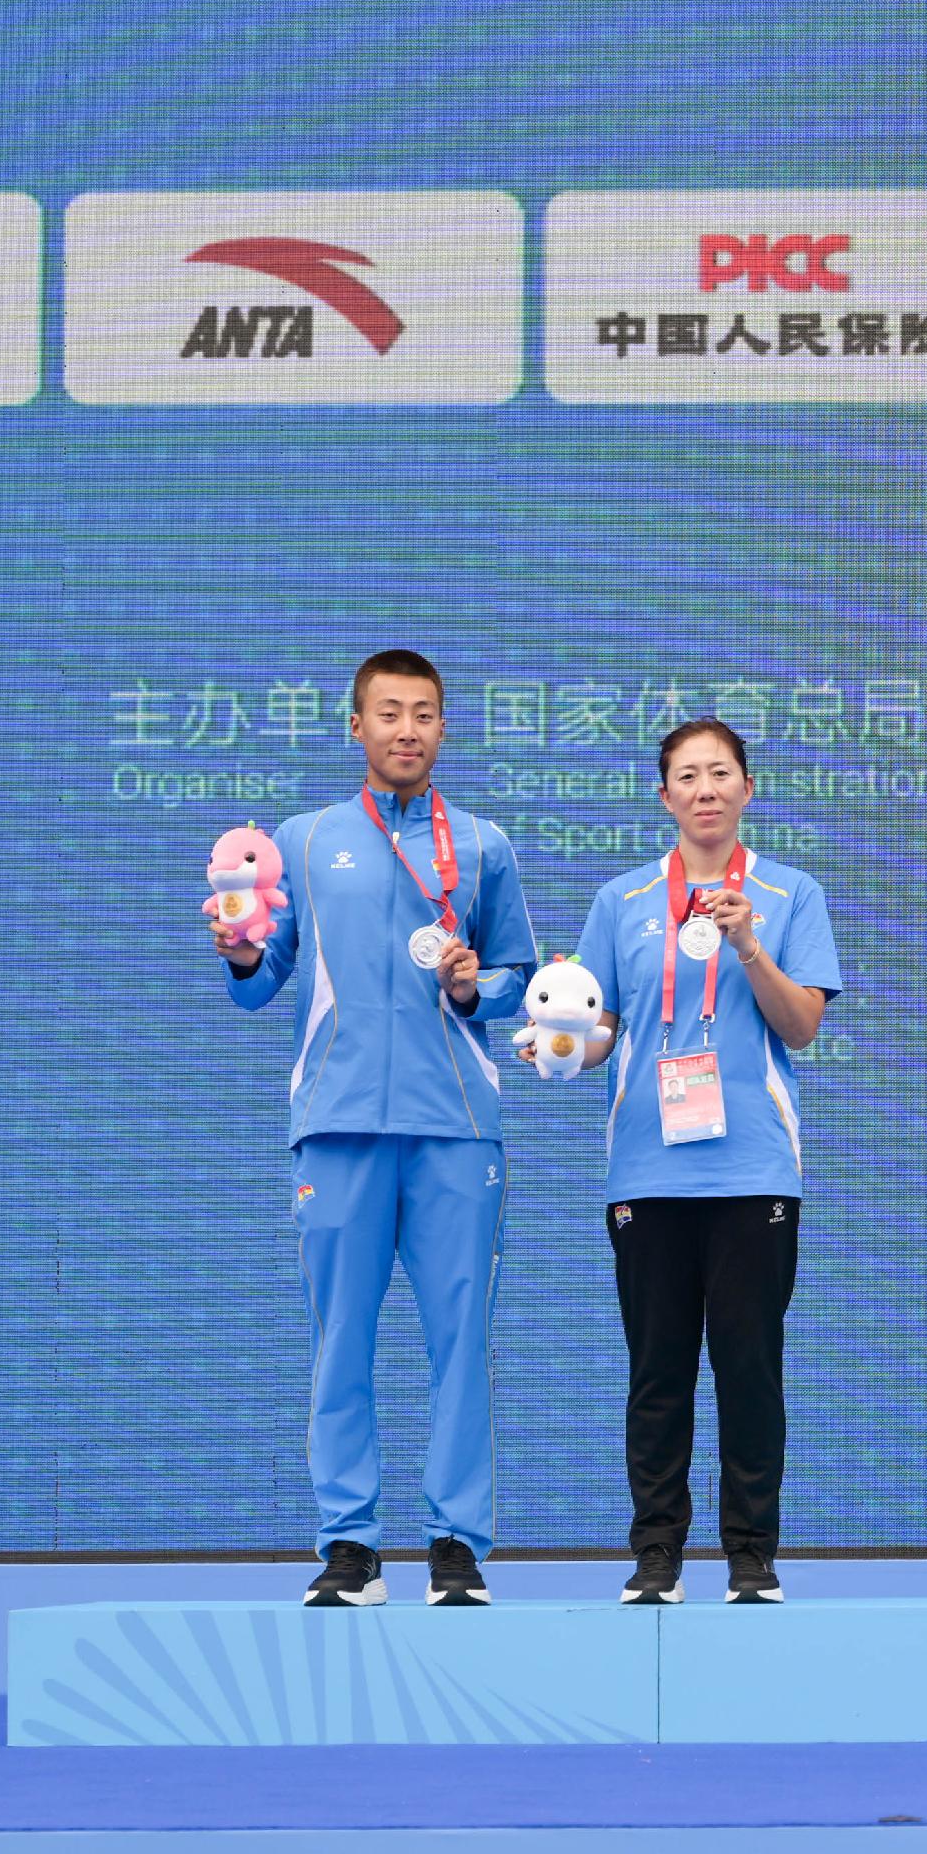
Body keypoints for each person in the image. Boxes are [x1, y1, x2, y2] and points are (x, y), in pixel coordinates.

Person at [204, 649, 536, 1608]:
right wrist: (238, 951)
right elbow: (263, 987)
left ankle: (455, 1547)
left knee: (460, 1341)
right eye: (387, 712)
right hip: (339, 1123)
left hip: (456, 1127)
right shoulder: (303, 842)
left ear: (442, 728)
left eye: (423, 714)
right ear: (355, 726)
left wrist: (481, 987)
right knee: (339, 1337)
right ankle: (349, 1545)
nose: (405, 729)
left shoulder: (482, 845)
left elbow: (514, 978)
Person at [545, 719, 842, 1608]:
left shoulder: (790, 897)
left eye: (721, 774)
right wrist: (557, 1045)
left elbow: (801, 1026)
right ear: (664, 795)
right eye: (687, 775)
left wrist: (749, 942)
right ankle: (657, 1556)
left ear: (748, 789)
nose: (705, 789)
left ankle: (751, 1556)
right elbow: (598, 1032)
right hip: (647, 1172)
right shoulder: (622, 901)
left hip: (753, 1170)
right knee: (658, 1369)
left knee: (750, 1366)